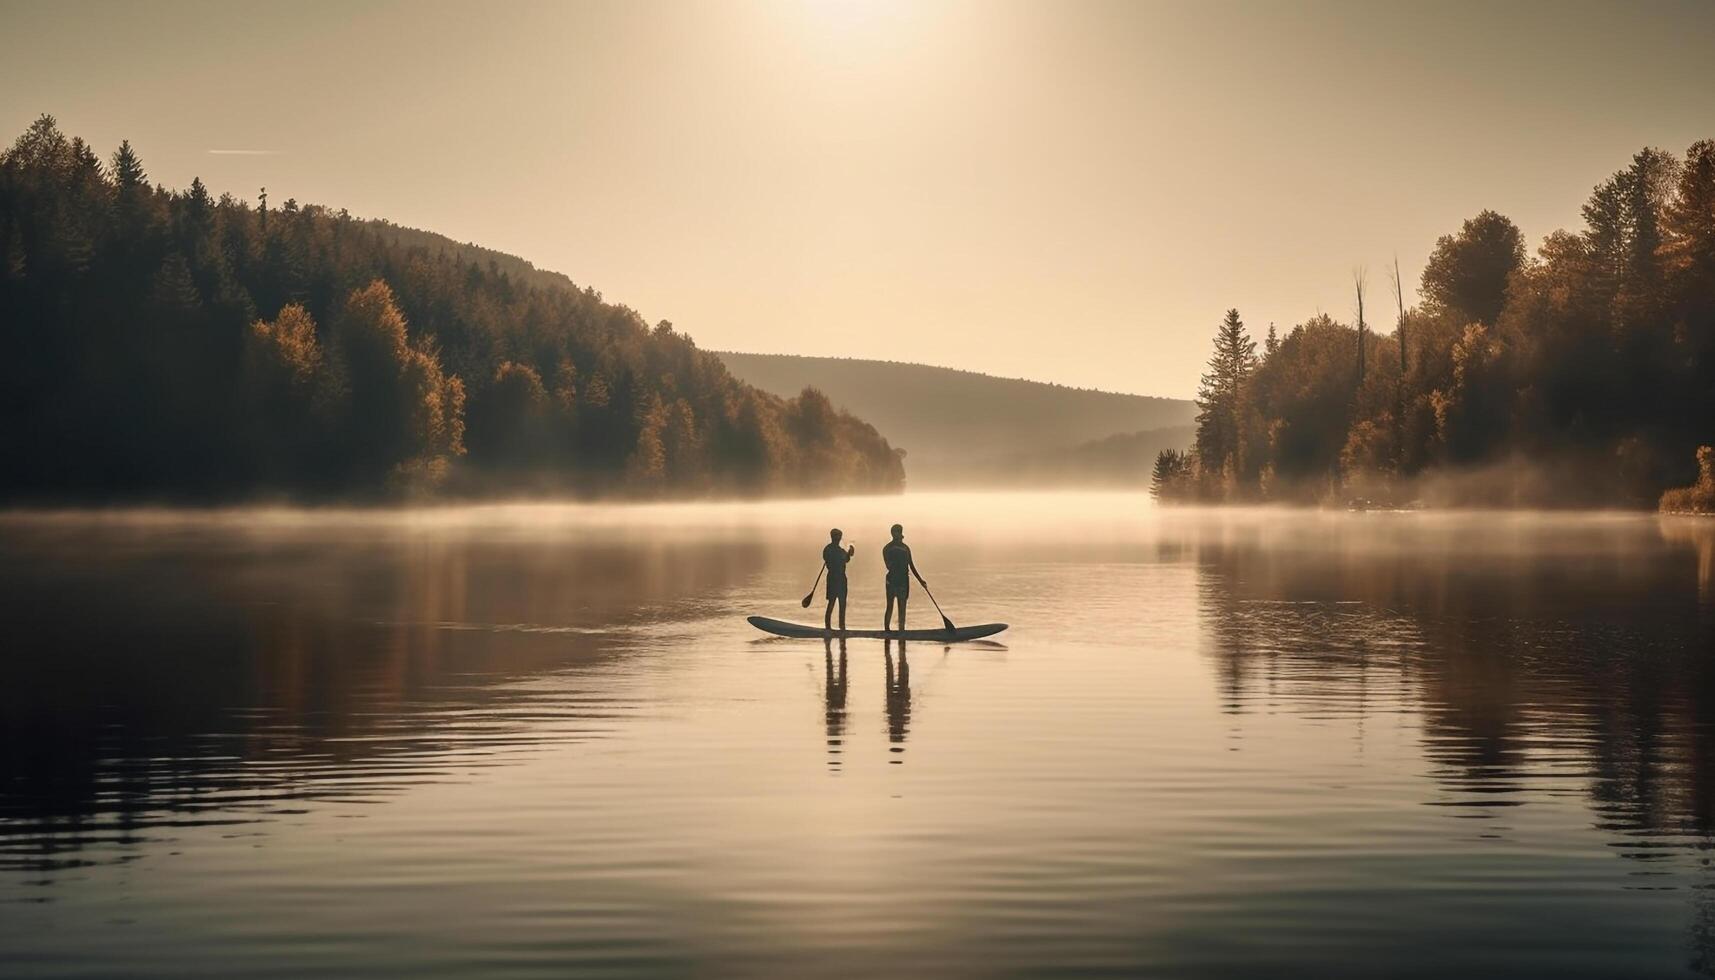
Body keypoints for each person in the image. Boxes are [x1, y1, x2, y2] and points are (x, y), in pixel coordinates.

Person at [881, 523, 926, 631]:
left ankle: (902, 630)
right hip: (892, 581)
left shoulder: (906, 548)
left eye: (899, 531)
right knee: (890, 606)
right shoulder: (887, 548)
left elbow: (911, 565)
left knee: (902, 608)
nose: (898, 534)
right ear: (892, 534)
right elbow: (888, 565)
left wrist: (921, 580)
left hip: (903, 581)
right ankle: (887, 630)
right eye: (896, 532)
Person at [822, 528, 855, 631]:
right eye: (836, 536)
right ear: (832, 537)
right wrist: (848, 554)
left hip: (841, 578)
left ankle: (842, 627)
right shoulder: (829, 549)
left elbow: (846, 559)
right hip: (833, 578)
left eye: (839, 536)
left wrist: (849, 553)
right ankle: (828, 627)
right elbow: (842, 559)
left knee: (842, 603)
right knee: (831, 602)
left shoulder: (838, 550)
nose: (838, 538)